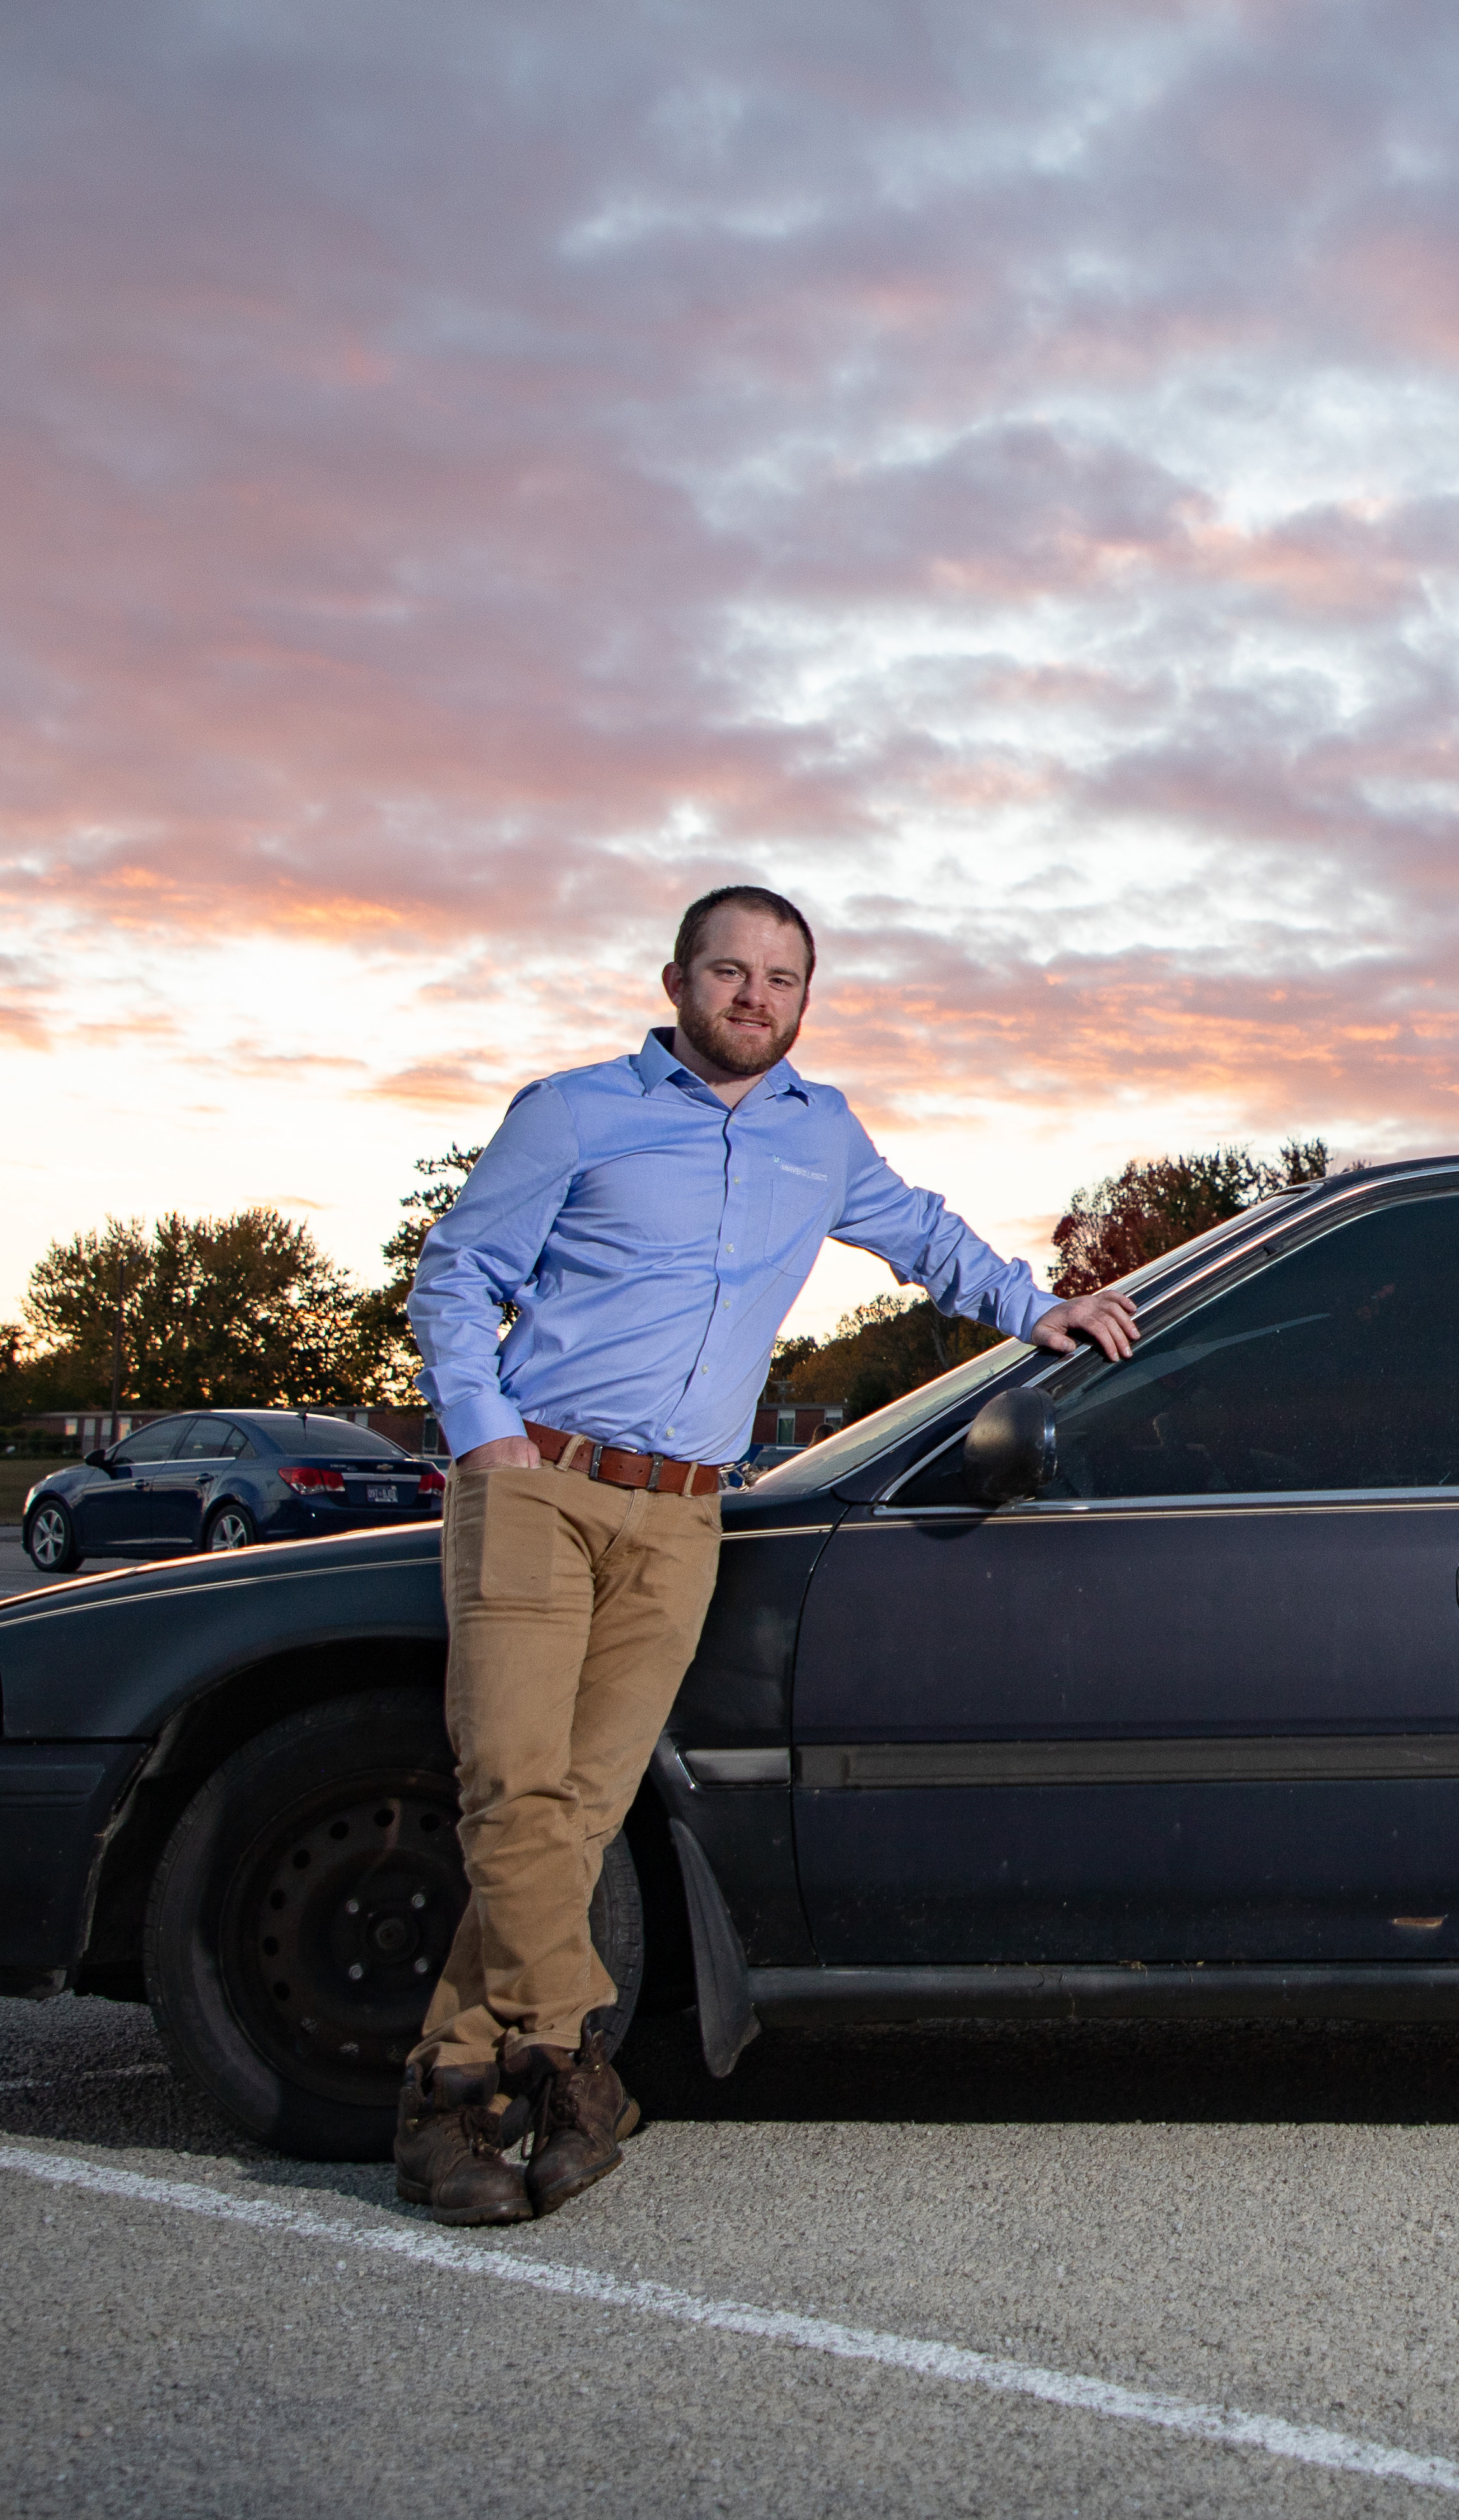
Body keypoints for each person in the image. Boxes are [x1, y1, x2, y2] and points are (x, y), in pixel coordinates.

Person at [391, 884, 1137, 2225]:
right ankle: (554, 2070)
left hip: (681, 1518)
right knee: (511, 1786)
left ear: (804, 997)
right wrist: (485, 1437)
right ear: (675, 980)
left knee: (578, 1810)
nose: (755, 997)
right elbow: (456, 1272)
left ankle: (466, 2089)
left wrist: (1042, 1306)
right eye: (729, 972)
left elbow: (923, 1236)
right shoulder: (570, 1111)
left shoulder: (822, 1133)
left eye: (782, 979)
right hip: (538, 1489)